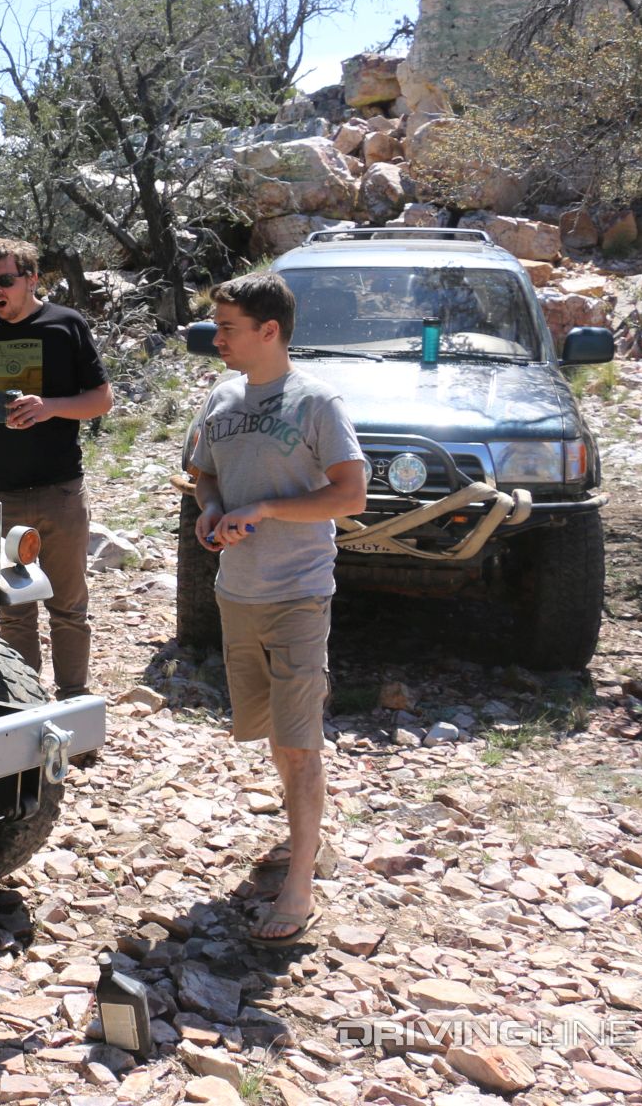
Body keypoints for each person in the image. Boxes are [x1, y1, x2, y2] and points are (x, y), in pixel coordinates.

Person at [189, 272, 366, 946]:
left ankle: (300, 885)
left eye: (228, 326)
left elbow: (350, 495)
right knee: (274, 734)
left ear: (270, 331)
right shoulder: (223, 395)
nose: (216, 337)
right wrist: (213, 512)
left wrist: (265, 508)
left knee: (298, 737)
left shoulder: (317, 401)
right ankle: (307, 831)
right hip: (238, 591)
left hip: (297, 589)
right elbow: (204, 471)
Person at [0, 238, 112, 694]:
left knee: (68, 608)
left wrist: (51, 407)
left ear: (32, 279)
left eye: (5, 280)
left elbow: (102, 400)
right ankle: (28, 705)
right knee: (14, 610)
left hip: (60, 491)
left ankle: (74, 703)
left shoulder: (66, 324)